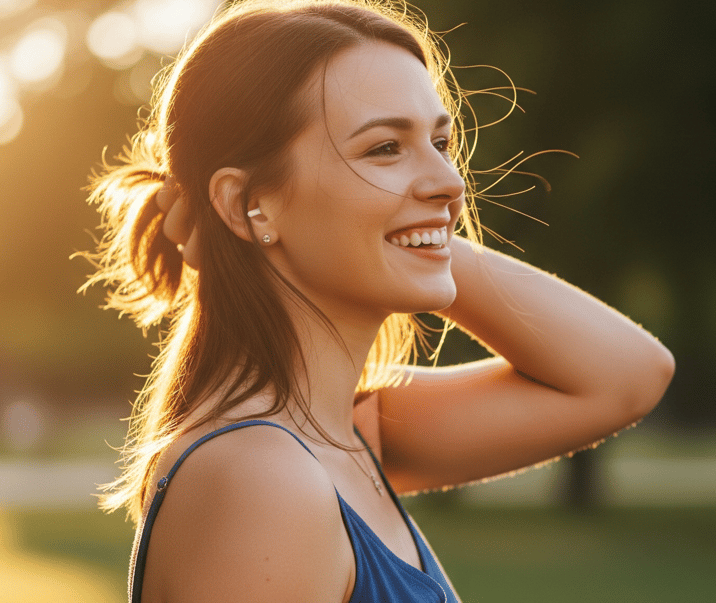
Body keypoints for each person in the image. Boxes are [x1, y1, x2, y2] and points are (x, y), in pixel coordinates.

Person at [82, 1, 675, 601]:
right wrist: (407, 234)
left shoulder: (349, 432)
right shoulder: (262, 477)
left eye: (440, 143)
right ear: (244, 201)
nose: (452, 183)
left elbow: (627, 376)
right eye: (386, 148)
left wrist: (420, 235)